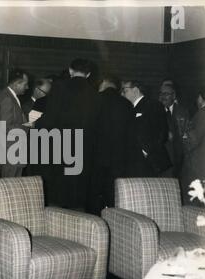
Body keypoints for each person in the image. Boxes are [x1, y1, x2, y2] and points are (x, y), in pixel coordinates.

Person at [38, 58, 100, 210]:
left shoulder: (59, 88)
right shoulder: (95, 93)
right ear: (89, 74)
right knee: (78, 193)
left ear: (70, 70)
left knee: (59, 193)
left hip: (60, 146)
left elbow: (49, 119)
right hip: (84, 150)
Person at [88, 75, 134, 213]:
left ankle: (95, 226)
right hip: (119, 158)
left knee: (94, 195)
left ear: (103, 84)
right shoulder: (126, 104)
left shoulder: (92, 100)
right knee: (115, 196)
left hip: (95, 157)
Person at [121, 80, 171, 177]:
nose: (122, 94)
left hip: (150, 162)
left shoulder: (153, 105)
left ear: (135, 90)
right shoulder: (130, 108)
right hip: (136, 161)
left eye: (125, 90)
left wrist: (145, 152)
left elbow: (161, 132)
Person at [0, 68, 29, 177]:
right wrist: (27, 126)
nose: (27, 87)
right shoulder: (7, 99)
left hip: (12, 152)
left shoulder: (9, 96)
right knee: (10, 187)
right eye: (25, 84)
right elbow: (6, 128)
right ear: (17, 83)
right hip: (10, 153)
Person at [181, 85, 205, 206]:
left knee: (194, 206)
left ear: (200, 98)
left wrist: (183, 137)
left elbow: (191, 141)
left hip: (197, 168)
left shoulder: (204, 113)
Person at [158, 82, 190, 178]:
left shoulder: (183, 112)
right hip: (162, 159)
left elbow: (187, 134)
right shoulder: (155, 111)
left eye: (166, 94)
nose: (163, 97)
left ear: (174, 96)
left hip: (180, 159)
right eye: (161, 94)